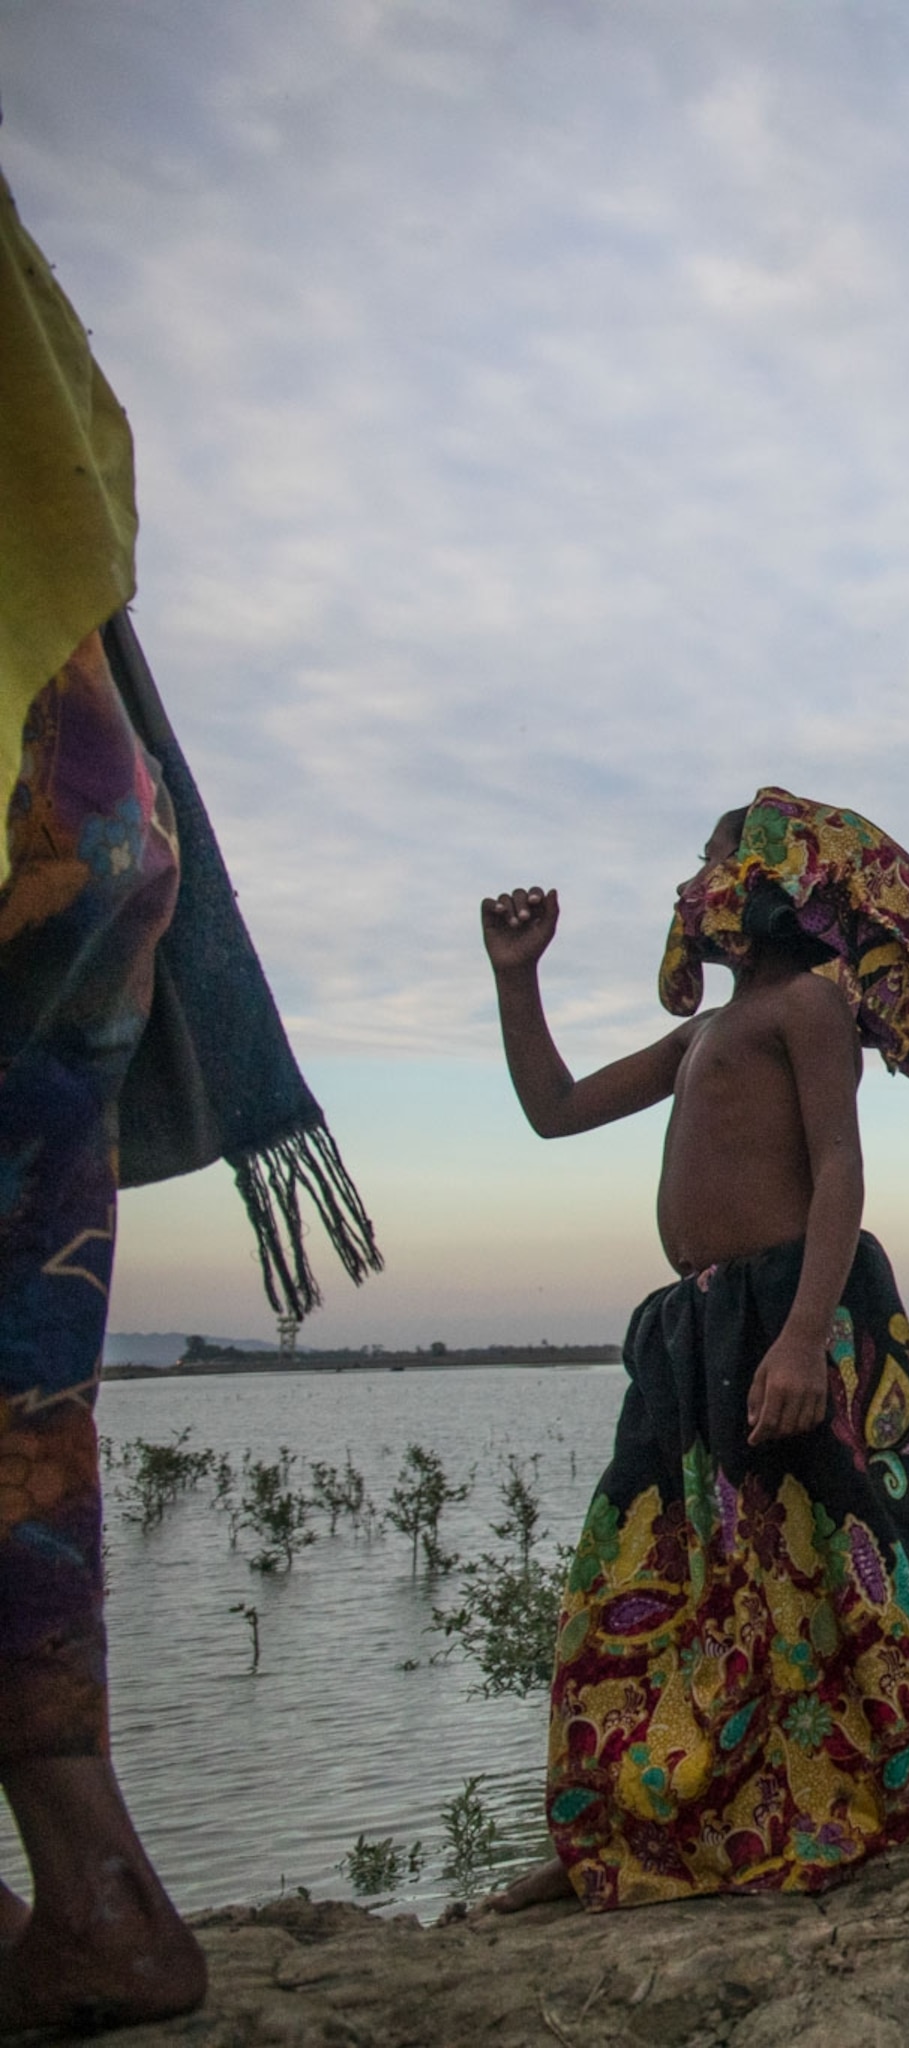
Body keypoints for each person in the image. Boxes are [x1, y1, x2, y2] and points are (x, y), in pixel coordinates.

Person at [4, 155, 368, 2034]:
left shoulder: (792, 1024)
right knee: (19, 1382)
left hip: (32, 796)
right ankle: (100, 1890)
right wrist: (510, 984)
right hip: (90, 802)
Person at [475, 793, 909, 1913]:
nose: (691, 884)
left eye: (708, 860)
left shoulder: (807, 1010)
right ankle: (616, 1830)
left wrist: (800, 1336)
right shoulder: (701, 1034)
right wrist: (517, 976)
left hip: (793, 1318)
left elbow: (840, 1169)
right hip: (694, 1331)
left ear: (772, 884)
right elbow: (552, 1108)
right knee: (659, 1580)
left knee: (849, 1570)